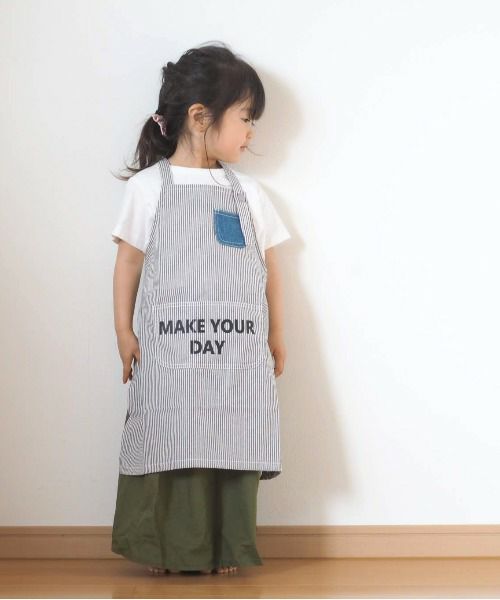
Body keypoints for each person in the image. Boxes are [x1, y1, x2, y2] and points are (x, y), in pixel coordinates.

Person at [110, 41, 291, 577]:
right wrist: (123, 331)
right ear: (199, 116)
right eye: (246, 118)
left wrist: (277, 333)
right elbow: (128, 264)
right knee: (171, 435)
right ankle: (166, 546)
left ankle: (224, 545)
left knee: (230, 434)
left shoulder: (249, 193)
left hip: (237, 353)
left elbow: (270, 270)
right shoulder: (147, 189)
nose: (251, 132)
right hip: (171, 352)